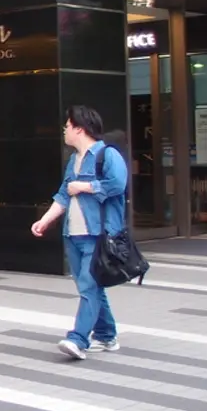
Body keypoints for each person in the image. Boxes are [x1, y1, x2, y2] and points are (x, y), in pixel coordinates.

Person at [31, 105, 129, 360]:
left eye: (66, 126)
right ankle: (107, 336)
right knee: (91, 286)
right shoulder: (73, 160)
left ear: (79, 128)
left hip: (98, 234)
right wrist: (45, 220)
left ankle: (78, 339)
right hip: (73, 236)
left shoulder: (107, 155)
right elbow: (64, 194)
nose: (64, 131)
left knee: (88, 285)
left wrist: (85, 186)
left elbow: (118, 185)